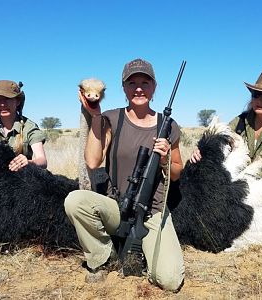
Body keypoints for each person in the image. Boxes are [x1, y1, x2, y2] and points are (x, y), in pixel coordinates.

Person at [65, 58, 185, 291]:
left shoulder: (168, 125)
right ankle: (103, 258)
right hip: (117, 206)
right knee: (75, 201)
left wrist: (165, 158)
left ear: (154, 87)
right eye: (132, 83)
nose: (138, 88)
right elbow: (92, 161)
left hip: (153, 211)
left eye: (144, 82)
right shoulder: (111, 118)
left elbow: (177, 172)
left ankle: (140, 252)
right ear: (123, 88)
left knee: (170, 281)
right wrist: (96, 117)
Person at [191, 70, 262, 211]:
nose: (260, 100)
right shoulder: (241, 120)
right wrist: (201, 149)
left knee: (240, 209)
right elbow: (219, 136)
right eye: (256, 95)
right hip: (242, 182)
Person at [0, 80, 47, 171]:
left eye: (7, 99)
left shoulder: (28, 127)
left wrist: (29, 162)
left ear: (18, 101)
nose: (2, 104)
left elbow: (42, 161)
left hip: (21, 178)